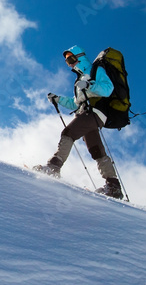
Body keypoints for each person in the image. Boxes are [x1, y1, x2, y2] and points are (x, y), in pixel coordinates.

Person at [33, 45, 123, 199]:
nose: (70, 63)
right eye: (68, 61)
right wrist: (58, 99)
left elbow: (108, 89)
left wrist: (89, 85)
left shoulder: (95, 70)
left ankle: (54, 166)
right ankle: (113, 186)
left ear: (79, 57)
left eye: (72, 59)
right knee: (96, 150)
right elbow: (75, 103)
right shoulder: (79, 79)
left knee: (68, 133)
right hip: (85, 113)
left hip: (94, 113)